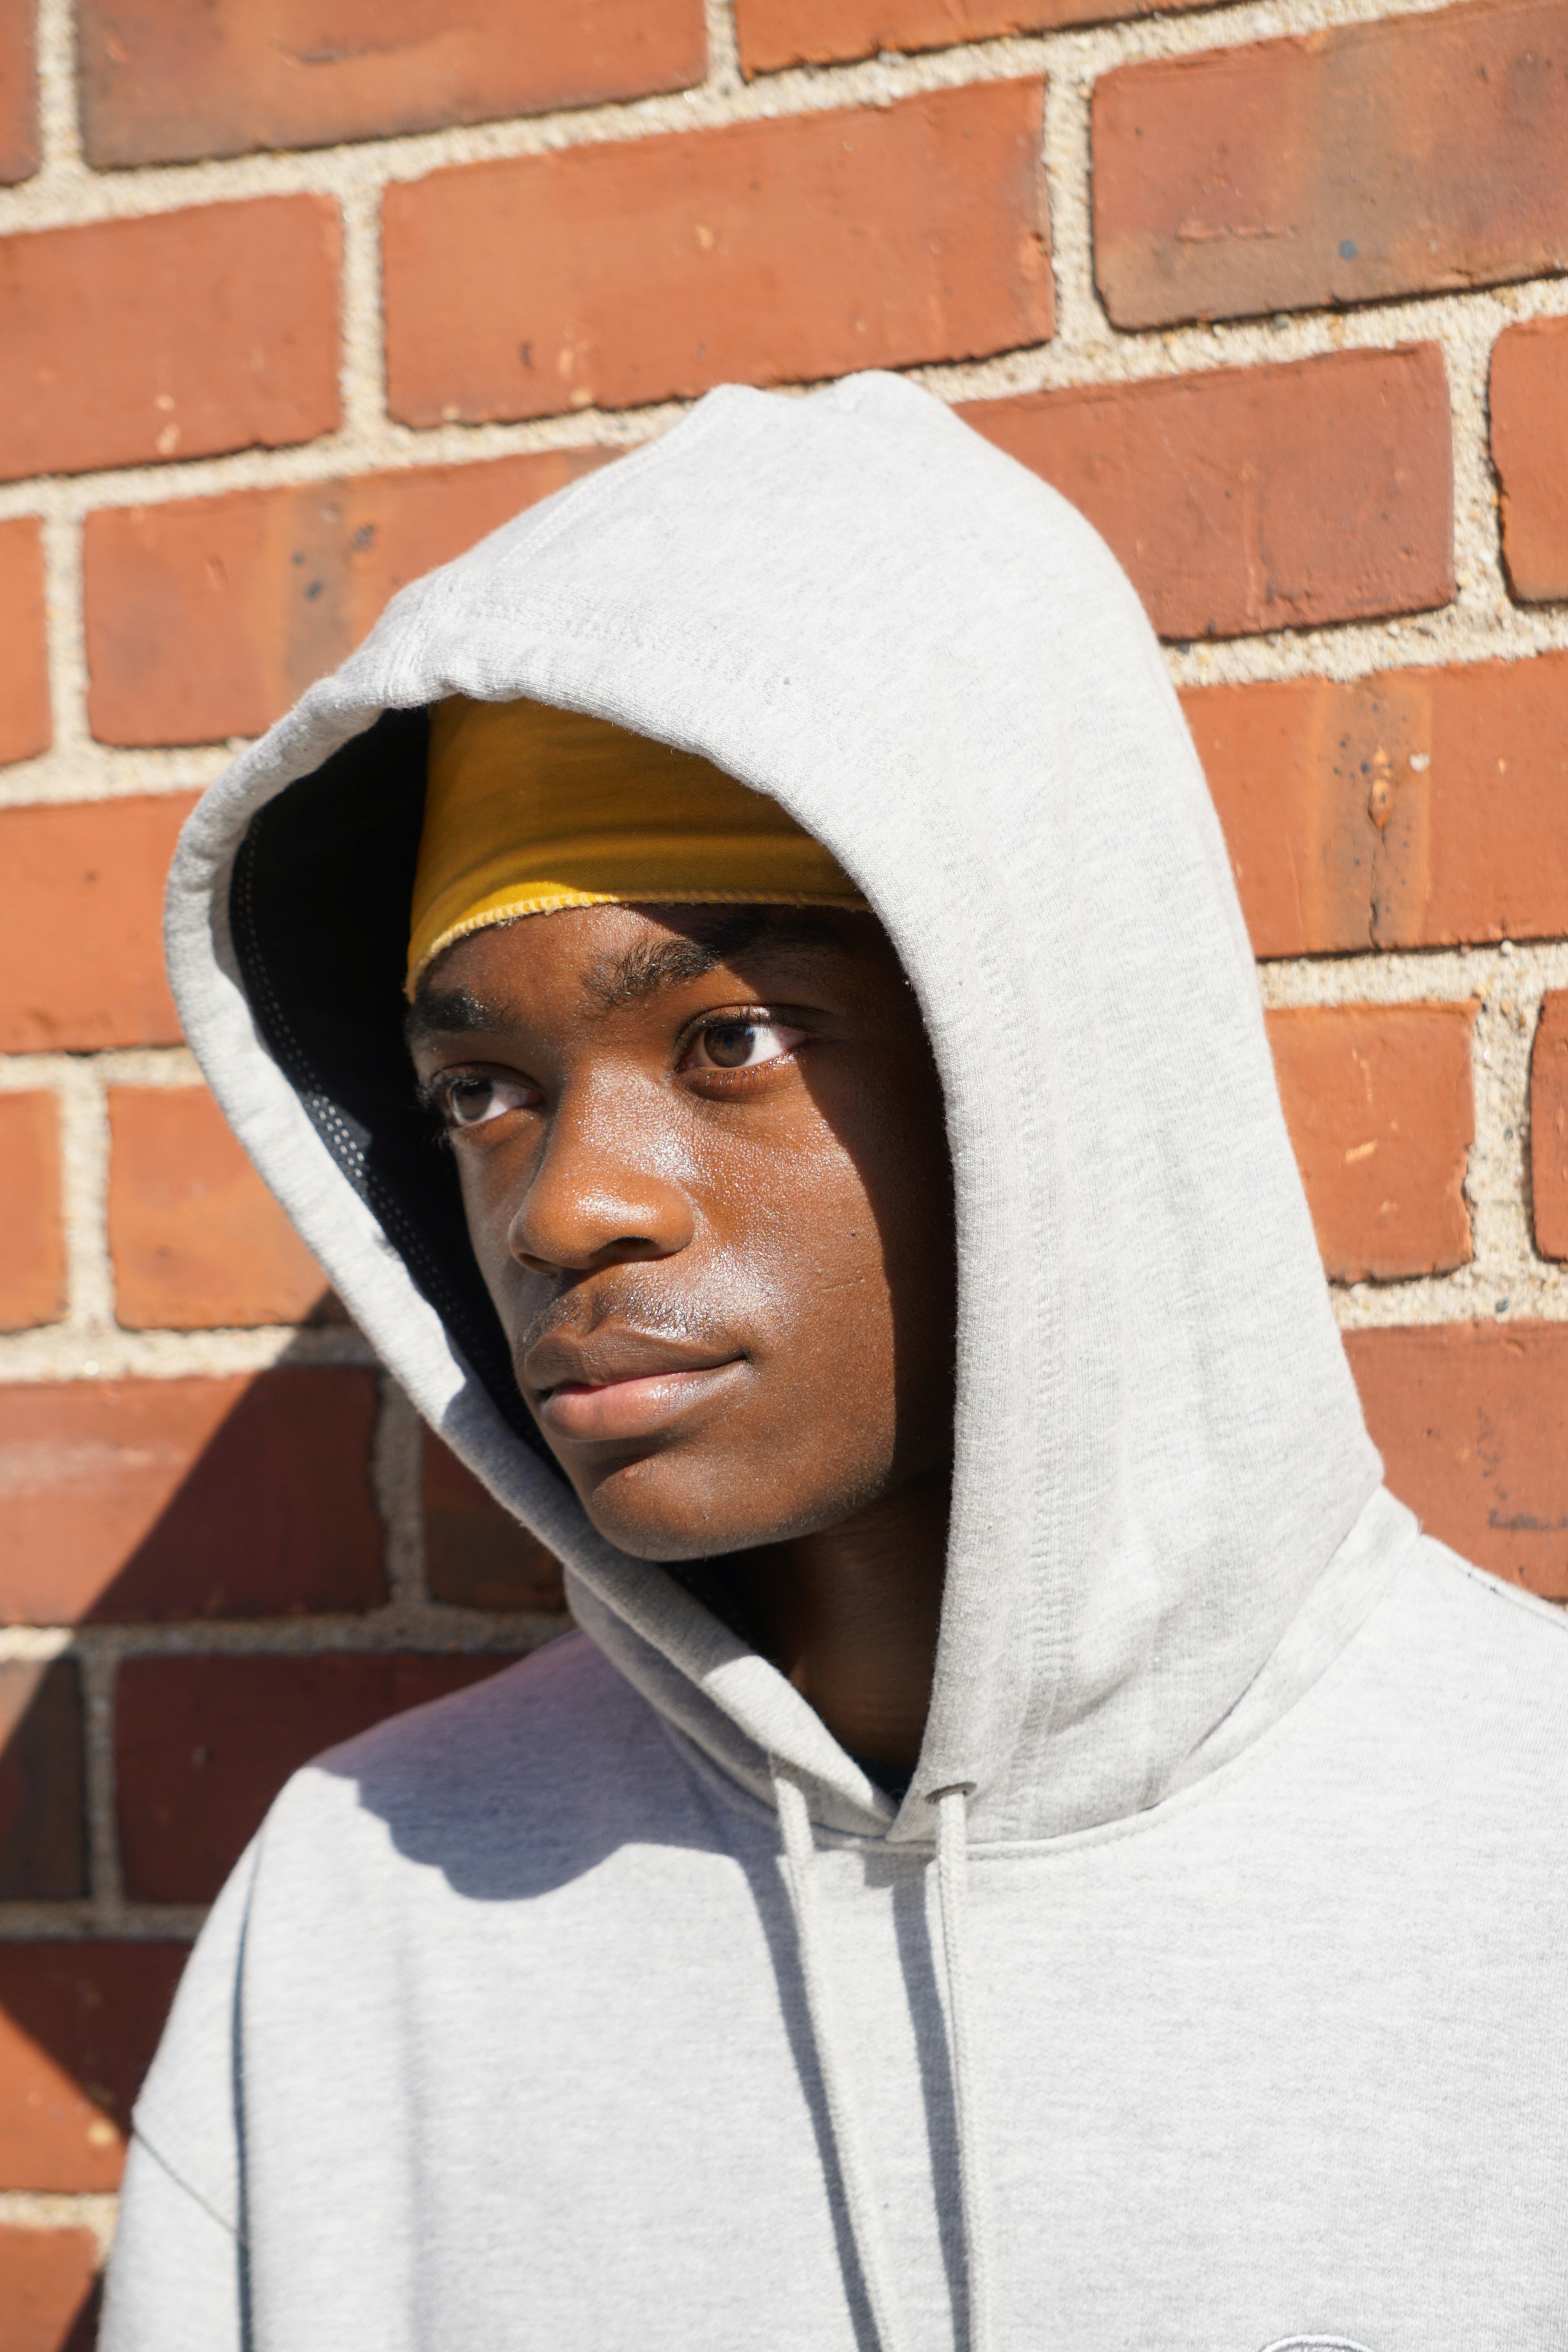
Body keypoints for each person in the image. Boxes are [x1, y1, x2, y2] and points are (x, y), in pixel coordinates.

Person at [103, 372, 1568, 2352]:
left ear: (1035, 1054)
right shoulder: (364, 1922)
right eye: (480, 1091)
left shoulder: (1528, 1849)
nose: (564, 1211)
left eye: (732, 1041)